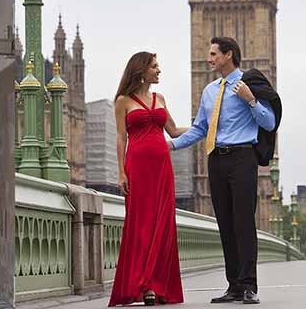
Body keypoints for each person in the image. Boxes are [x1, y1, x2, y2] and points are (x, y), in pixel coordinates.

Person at [169, 37, 276, 304]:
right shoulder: (209, 91)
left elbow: (270, 121)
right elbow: (199, 129)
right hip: (216, 159)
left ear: (229, 55)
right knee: (225, 224)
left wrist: (251, 101)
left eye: (214, 53)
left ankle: (250, 285)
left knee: (243, 222)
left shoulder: (248, 85)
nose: (209, 58)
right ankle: (234, 285)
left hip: (242, 157)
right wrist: (170, 146)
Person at [109, 52, 186, 307]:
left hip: (162, 168)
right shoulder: (123, 101)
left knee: (163, 225)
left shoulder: (160, 98)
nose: (159, 70)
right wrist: (121, 172)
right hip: (138, 168)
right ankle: (145, 285)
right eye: (155, 66)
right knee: (142, 226)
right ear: (142, 71)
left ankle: (159, 284)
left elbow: (173, 131)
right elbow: (121, 138)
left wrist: (204, 126)